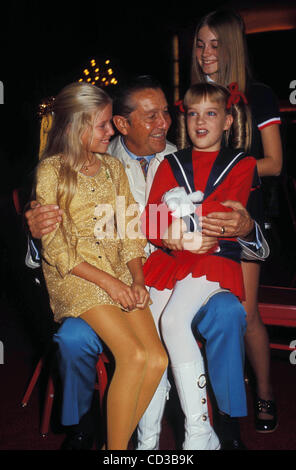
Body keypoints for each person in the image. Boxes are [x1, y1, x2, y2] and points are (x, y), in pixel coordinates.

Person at [25, 76, 267, 450]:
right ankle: (83, 426)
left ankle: (225, 422)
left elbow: (255, 241)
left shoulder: (183, 158)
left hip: (180, 274)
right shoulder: (89, 163)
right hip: (106, 279)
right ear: (122, 124)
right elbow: (54, 246)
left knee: (228, 313)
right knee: (73, 337)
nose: (165, 124)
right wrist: (36, 228)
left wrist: (247, 226)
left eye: (167, 114)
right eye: (151, 116)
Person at [34, 81, 168, 450]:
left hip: (120, 273)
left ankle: (112, 447)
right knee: (135, 355)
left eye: (110, 123)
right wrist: (112, 284)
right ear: (76, 127)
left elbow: (128, 230)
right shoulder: (51, 171)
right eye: (103, 125)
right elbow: (59, 251)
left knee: (156, 359)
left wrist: (137, 278)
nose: (111, 131)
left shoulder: (111, 168)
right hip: (77, 279)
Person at [140, 81, 256, 450]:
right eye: (192, 114)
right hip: (169, 261)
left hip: (213, 261)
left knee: (174, 322)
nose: (200, 121)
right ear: (183, 120)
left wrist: (174, 221)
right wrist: (170, 229)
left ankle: (200, 432)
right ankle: (148, 441)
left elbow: (224, 217)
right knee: (150, 339)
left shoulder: (242, 163)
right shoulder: (171, 162)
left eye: (211, 113)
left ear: (227, 120)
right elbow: (149, 219)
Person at [191, 8, 282, 433]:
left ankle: (264, 393)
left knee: (246, 313)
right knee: (203, 307)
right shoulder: (190, 96)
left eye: (216, 43)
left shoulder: (257, 94)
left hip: (244, 215)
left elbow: (276, 163)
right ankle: (206, 404)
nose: (207, 52)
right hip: (198, 216)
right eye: (200, 43)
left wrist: (228, 171)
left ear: (232, 47)